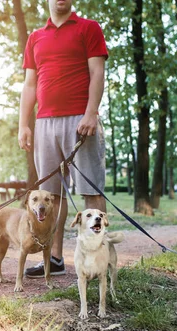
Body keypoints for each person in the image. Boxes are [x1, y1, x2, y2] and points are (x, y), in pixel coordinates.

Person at [18, 0, 108, 278]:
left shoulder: (88, 28)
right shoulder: (35, 37)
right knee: (50, 194)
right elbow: (30, 84)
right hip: (44, 123)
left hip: (81, 121)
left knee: (90, 191)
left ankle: (99, 259)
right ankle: (54, 259)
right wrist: (24, 123)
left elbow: (97, 72)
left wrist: (91, 113)